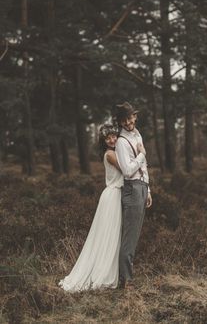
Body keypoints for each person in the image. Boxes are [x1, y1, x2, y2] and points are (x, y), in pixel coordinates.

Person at [58, 124, 123, 292]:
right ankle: (103, 273)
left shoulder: (117, 151)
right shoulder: (109, 155)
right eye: (108, 138)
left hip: (116, 195)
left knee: (113, 235)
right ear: (104, 142)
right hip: (113, 196)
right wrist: (141, 156)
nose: (112, 139)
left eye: (113, 136)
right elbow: (127, 169)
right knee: (107, 235)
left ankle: (111, 270)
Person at [114, 102, 152, 289]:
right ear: (120, 122)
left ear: (135, 116)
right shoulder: (121, 142)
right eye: (125, 120)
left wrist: (149, 189)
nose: (129, 122)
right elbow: (128, 171)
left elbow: (143, 167)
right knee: (129, 236)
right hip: (132, 188)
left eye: (131, 118)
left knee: (134, 235)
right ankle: (125, 280)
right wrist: (142, 155)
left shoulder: (137, 134)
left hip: (142, 187)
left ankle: (126, 276)